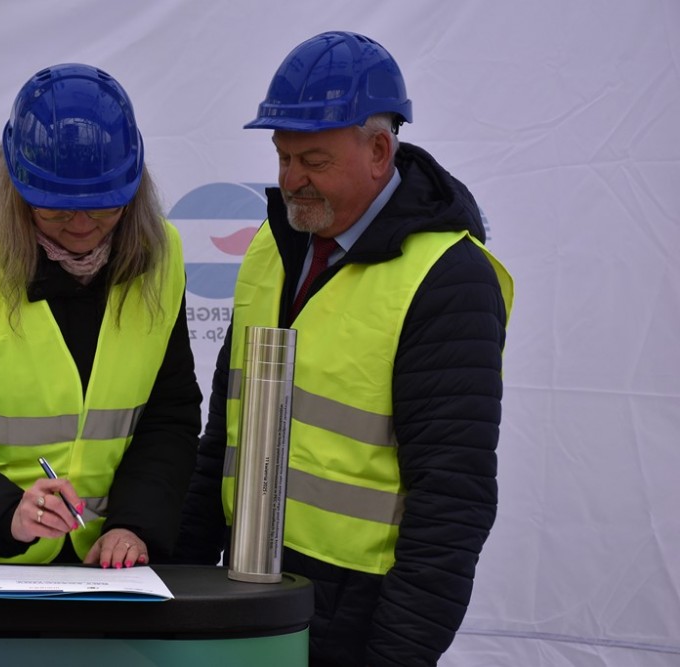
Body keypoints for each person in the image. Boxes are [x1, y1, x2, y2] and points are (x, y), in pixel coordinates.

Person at [173, 31, 514, 666]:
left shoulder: (448, 279)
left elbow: (451, 504)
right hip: (245, 593)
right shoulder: (274, 243)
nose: (290, 179)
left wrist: (394, 656)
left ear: (379, 150)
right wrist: (179, 590)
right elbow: (223, 434)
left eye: (314, 160)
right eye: (282, 156)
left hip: (358, 618)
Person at [0, 63, 201, 569]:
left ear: (134, 187)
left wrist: (134, 524)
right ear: (17, 187)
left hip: (101, 565)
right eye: (55, 208)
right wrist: (8, 512)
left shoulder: (161, 256)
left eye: (104, 207)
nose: (81, 226)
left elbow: (169, 416)